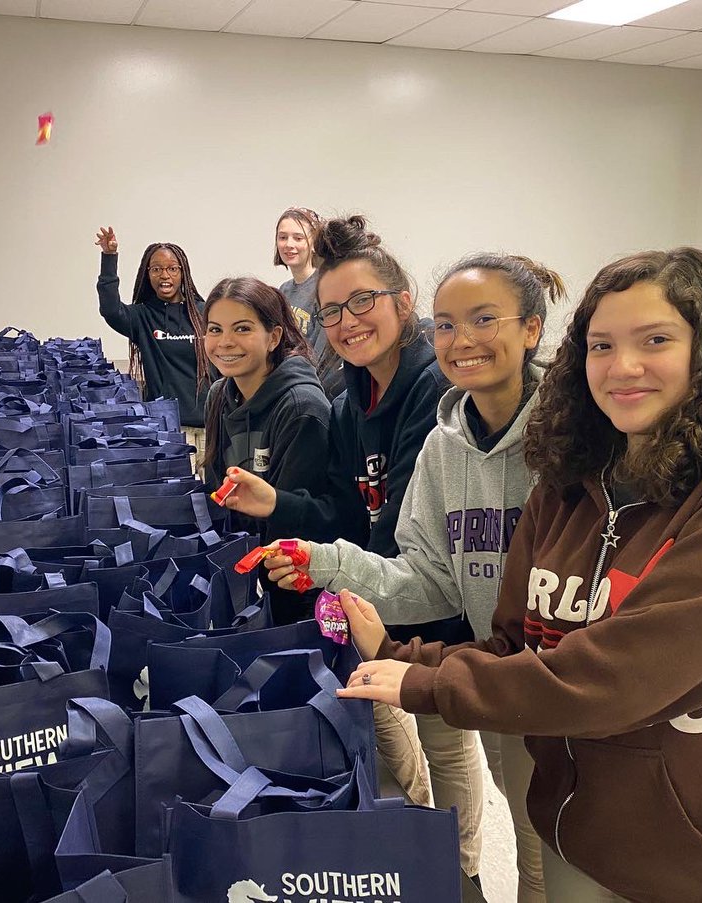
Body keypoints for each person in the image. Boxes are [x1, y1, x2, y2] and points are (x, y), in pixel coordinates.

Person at [338, 247, 702, 902]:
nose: (623, 366)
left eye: (655, 340)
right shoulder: (567, 483)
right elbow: (518, 646)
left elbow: (625, 673)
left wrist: (428, 682)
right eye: (602, 345)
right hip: (580, 834)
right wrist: (398, 654)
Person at [264, 253, 564, 901]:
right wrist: (327, 564)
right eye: (448, 323)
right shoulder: (442, 444)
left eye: (484, 319)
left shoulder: (574, 439)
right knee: (525, 818)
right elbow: (431, 575)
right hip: (497, 670)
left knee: (550, 851)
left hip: (574, 689)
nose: (462, 339)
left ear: (531, 329)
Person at [218, 215, 487, 884]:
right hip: (380, 588)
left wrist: (341, 574)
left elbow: (405, 520)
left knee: (447, 736)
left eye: (362, 301)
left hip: (439, 598)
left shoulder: (434, 389)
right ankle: (425, 845)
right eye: (332, 310)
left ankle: (461, 874)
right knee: (396, 724)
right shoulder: (348, 401)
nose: (346, 321)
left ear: (404, 302)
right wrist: (277, 505)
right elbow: (342, 509)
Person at [201, 276, 331, 624]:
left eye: (242, 328)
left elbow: (301, 521)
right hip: (244, 576)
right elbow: (216, 491)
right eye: (215, 329)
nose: (225, 342)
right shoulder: (219, 394)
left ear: (274, 337)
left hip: (293, 587)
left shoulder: (301, 407)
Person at [94, 227, 209, 455]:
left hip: (211, 426)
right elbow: (110, 309)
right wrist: (109, 257)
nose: (165, 275)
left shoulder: (204, 313)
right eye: (156, 269)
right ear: (147, 274)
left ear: (183, 273)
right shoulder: (142, 316)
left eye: (172, 269)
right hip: (169, 428)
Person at [274, 206, 343, 397]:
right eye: (282, 237)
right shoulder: (283, 290)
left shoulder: (325, 287)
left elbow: (324, 355)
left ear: (313, 243)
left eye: (298, 238)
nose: (289, 244)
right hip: (288, 384)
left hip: (313, 390)